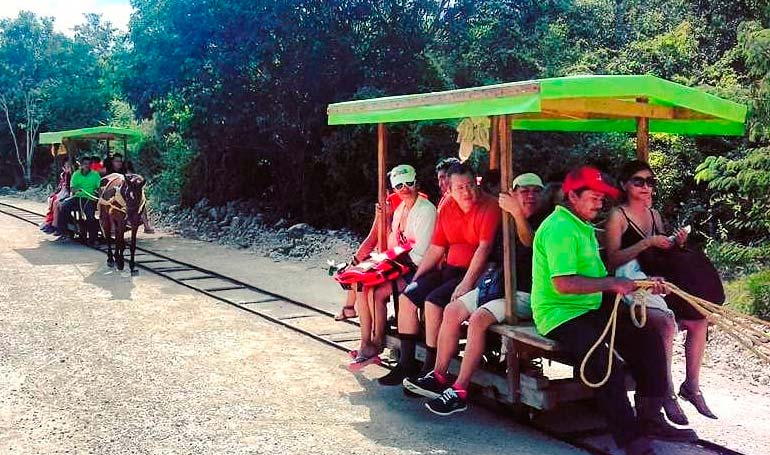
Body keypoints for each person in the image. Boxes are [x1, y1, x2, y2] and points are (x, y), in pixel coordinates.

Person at [528, 166, 697, 455]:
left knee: (648, 340)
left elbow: (600, 271)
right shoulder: (559, 229)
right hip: (561, 313)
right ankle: (630, 440)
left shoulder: (579, 223)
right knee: (605, 363)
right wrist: (613, 283)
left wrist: (641, 284)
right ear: (572, 196)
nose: (600, 203)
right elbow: (563, 284)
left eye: (601, 198)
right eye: (593, 197)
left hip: (591, 304)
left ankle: (650, 416)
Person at [404, 173, 546, 414]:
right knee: (452, 309)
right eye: (524, 191)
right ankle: (438, 374)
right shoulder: (505, 218)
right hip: (499, 286)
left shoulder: (545, 220)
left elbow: (530, 243)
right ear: (513, 193)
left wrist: (518, 214)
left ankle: (459, 390)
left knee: (478, 319)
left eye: (535, 191)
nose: (530, 196)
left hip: (525, 293)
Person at [605, 160, 715, 424]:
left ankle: (691, 386)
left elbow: (660, 253)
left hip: (656, 277)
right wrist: (647, 242)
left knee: (700, 319)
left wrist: (675, 242)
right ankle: (665, 392)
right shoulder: (617, 216)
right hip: (630, 280)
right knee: (666, 323)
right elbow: (612, 261)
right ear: (624, 185)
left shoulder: (653, 214)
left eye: (650, 181)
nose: (646, 187)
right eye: (638, 181)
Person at [378, 162, 500, 386]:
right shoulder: (447, 207)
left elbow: (484, 248)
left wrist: (466, 283)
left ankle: (431, 369)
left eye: (471, 185)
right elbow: (436, 248)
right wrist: (417, 278)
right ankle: (406, 363)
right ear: (450, 190)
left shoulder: (489, 206)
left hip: (475, 273)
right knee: (408, 297)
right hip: (449, 269)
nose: (467, 192)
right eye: (460, 187)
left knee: (433, 303)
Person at [349, 165, 437, 369]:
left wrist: (391, 267)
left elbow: (421, 254)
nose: (405, 188)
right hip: (404, 263)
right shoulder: (400, 210)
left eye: (409, 183)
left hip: (421, 268)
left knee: (378, 291)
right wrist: (385, 218)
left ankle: (376, 343)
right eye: (399, 185)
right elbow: (391, 243)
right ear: (393, 189)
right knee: (363, 285)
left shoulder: (426, 210)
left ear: (417, 183)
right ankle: (367, 342)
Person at [58, 156, 101, 244]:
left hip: (90, 198)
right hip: (77, 197)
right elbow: (72, 188)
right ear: (81, 165)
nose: (87, 166)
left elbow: (99, 188)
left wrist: (97, 192)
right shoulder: (76, 174)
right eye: (85, 164)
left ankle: (93, 238)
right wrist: (77, 190)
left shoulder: (95, 175)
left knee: (90, 216)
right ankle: (65, 232)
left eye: (89, 164)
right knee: (64, 207)